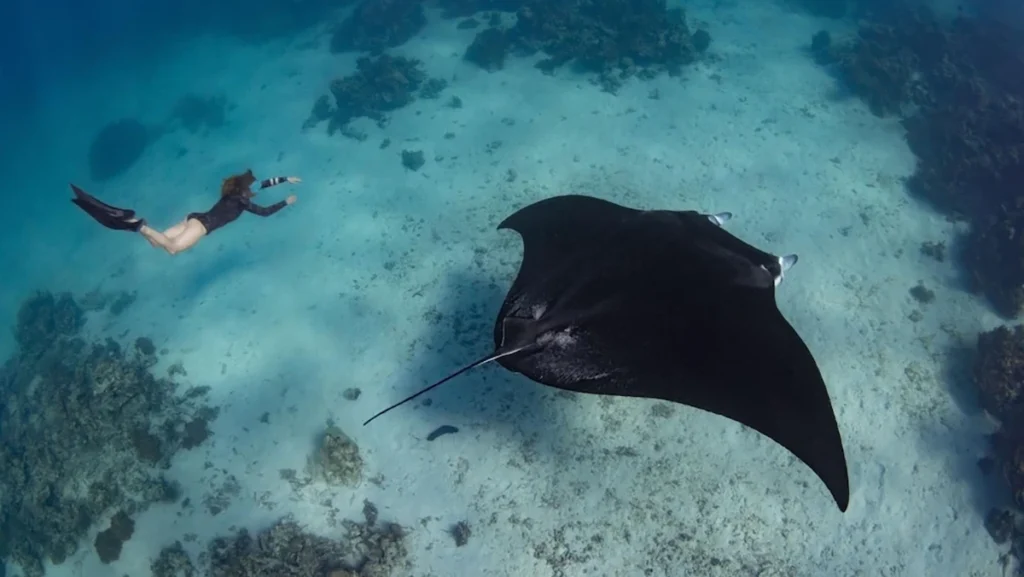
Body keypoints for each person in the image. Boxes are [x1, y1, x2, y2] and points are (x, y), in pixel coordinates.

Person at [70, 169, 300, 255]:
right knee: (172, 249)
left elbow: (263, 184)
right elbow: (265, 212)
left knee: (157, 243)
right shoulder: (242, 202)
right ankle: (137, 223)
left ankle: (132, 220)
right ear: (244, 190)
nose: (253, 188)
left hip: (194, 217)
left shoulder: (231, 194)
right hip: (203, 225)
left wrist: (285, 179)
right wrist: (286, 202)